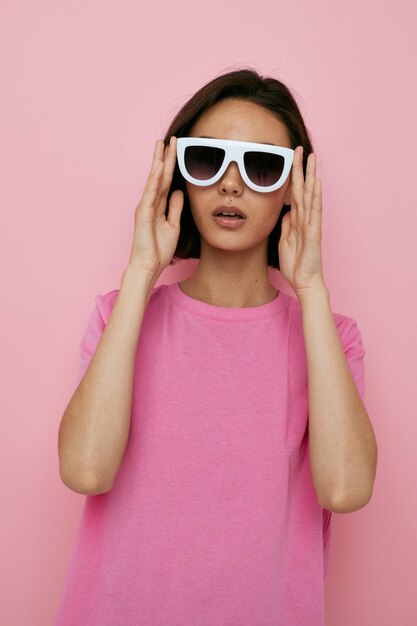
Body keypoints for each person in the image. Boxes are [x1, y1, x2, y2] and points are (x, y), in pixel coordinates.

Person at [55, 68, 377, 625]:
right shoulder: (119, 316)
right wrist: (140, 270)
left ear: (292, 191)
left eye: (260, 165)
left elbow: (345, 489)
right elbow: (86, 471)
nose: (231, 184)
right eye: (206, 159)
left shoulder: (331, 338)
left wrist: (312, 288)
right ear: (178, 176)